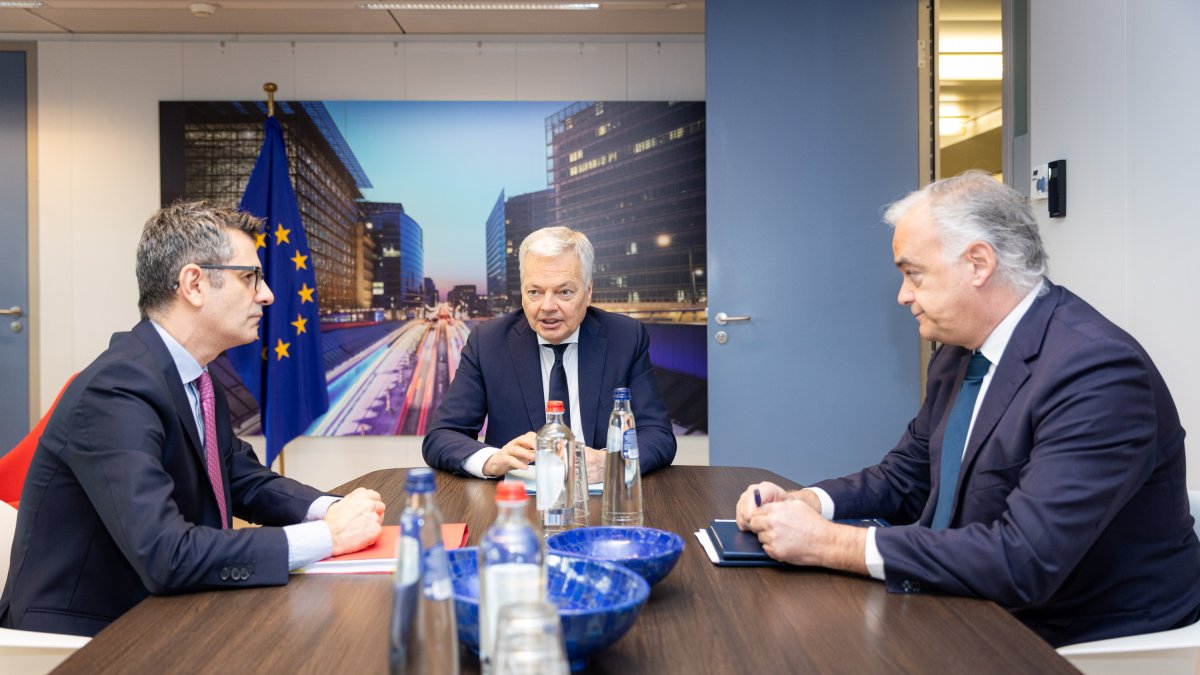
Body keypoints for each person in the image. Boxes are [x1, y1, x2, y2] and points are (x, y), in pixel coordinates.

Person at [734, 172, 1200, 647]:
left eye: (913, 273)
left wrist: (831, 543)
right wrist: (808, 503)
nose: (903, 295)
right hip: (969, 596)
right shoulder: (959, 353)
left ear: (978, 263)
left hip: (1074, 627)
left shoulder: (1096, 371)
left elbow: (1024, 563)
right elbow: (906, 477)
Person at [0, 202, 386, 637]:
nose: (267, 294)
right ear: (194, 284)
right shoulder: (115, 389)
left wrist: (334, 510)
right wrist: (328, 537)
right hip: (86, 640)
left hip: (166, 614)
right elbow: (165, 554)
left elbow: (244, 481)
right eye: (250, 278)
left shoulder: (194, 378)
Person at [423, 226, 676, 480]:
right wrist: (492, 459)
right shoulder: (488, 342)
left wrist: (610, 462)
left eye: (564, 292)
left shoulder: (625, 337)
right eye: (535, 292)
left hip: (601, 500)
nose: (547, 307)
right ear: (522, 292)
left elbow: (657, 435)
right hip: (517, 504)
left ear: (588, 292)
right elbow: (442, 436)